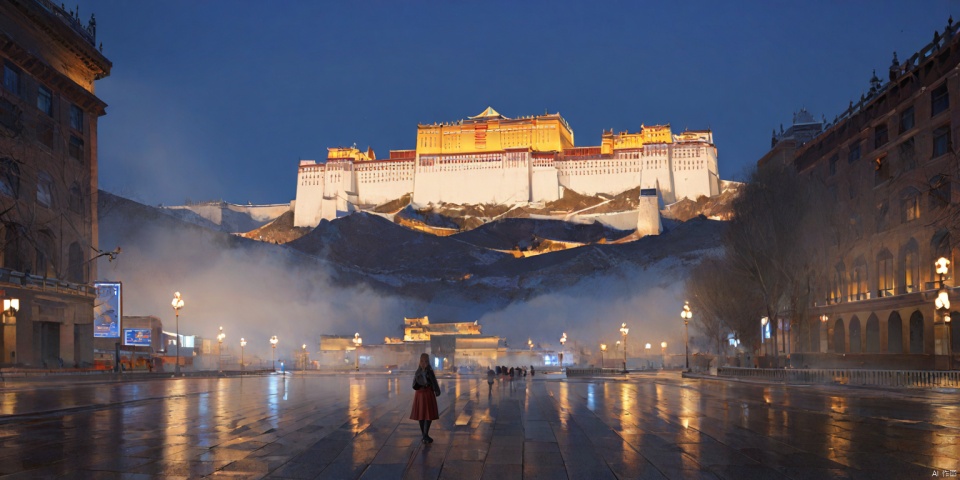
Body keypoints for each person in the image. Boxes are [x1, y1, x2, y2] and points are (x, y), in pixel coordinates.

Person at [410, 353, 440, 444]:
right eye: (422, 361)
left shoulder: (429, 371)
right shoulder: (418, 372)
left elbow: (434, 381)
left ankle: (425, 435)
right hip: (421, 394)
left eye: (426, 361)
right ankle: (424, 435)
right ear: (420, 361)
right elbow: (414, 384)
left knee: (428, 414)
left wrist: (436, 390)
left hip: (428, 393)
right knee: (421, 414)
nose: (424, 363)